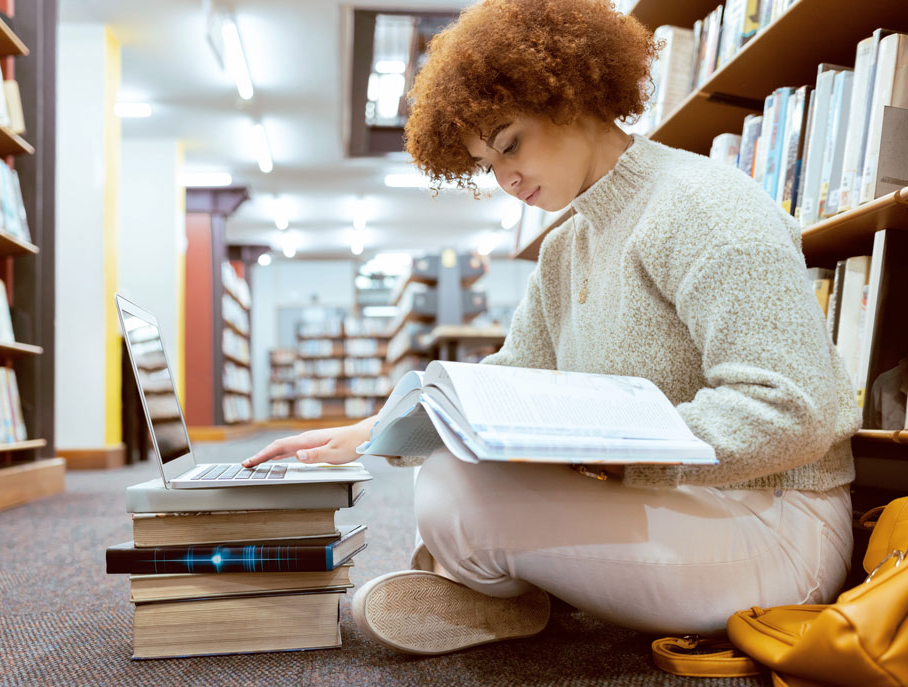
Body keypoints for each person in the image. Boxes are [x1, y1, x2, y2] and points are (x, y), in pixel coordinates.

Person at [243, 0, 860, 656]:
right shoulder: (566, 249)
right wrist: (368, 431)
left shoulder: (705, 204)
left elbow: (795, 410)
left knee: (461, 500)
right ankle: (524, 595)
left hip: (781, 527)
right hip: (684, 506)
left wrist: (613, 454)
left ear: (574, 92)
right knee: (446, 473)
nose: (506, 178)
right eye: (487, 164)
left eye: (510, 141)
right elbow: (505, 383)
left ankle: (507, 591)